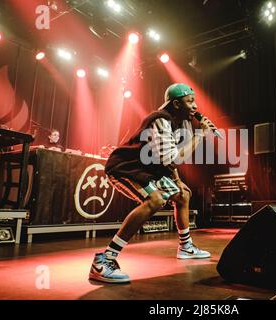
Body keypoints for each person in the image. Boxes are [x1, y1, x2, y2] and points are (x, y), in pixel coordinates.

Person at [89, 83, 218, 283]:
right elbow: (172, 159)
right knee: (155, 200)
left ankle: (186, 247)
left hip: (149, 170)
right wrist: (200, 135)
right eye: (190, 101)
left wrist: (177, 181)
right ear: (176, 103)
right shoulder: (161, 120)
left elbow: (167, 155)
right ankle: (104, 260)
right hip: (126, 167)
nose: (195, 106)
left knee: (183, 195)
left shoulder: (179, 121)